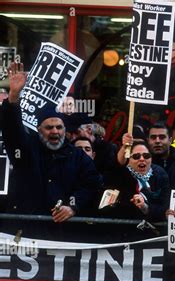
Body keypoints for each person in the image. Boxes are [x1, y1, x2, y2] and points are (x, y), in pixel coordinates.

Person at [0, 62, 102, 237]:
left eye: (59, 127)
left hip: (61, 234)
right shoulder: (26, 149)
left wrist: (72, 205)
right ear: (39, 130)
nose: (55, 131)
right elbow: (12, 130)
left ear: (65, 130)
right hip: (26, 231)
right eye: (49, 128)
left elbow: (92, 184)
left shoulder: (77, 157)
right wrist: (14, 96)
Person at [104, 135, 170, 225]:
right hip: (124, 229)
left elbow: (164, 206)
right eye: (136, 156)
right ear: (129, 159)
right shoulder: (121, 173)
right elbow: (117, 165)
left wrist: (145, 207)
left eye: (146, 156)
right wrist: (124, 146)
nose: (142, 159)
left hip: (152, 230)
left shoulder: (160, 174)